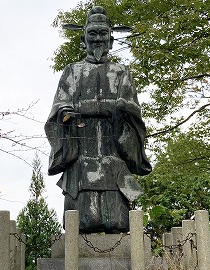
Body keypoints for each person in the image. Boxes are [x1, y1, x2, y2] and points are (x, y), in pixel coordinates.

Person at [45, 6, 151, 234]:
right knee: (82, 221)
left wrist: (122, 109)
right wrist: (66, 113)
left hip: (114, 147)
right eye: (92, 34)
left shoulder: (122, 72)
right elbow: (59, 104)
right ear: (83, 38)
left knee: (116, 221)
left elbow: (133, 109)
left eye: (103, 33)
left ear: (111, 40)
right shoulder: (72, 71)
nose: (98, 39)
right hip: (81, 147)